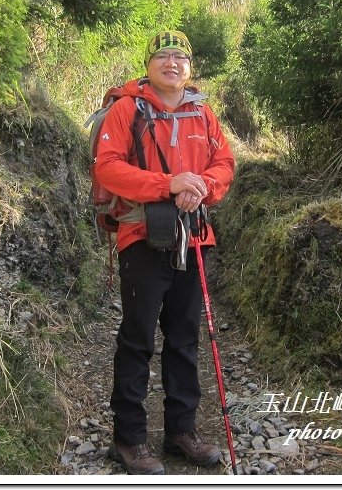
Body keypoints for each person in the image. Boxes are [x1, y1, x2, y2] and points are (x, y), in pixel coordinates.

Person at [93, 30, 236, 475]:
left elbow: (224, 164)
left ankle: (181, 431)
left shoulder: (203, 113)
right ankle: (129, 438)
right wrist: (168, 185)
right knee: (138, 339)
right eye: (162, 56)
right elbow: (108, 167)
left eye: (180, 57)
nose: (171, 63)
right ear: (149, 65)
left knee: (183, 337)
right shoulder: (125, 109)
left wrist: (203, 187)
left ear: (190, 68)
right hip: (141, 236)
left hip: (193, 237)